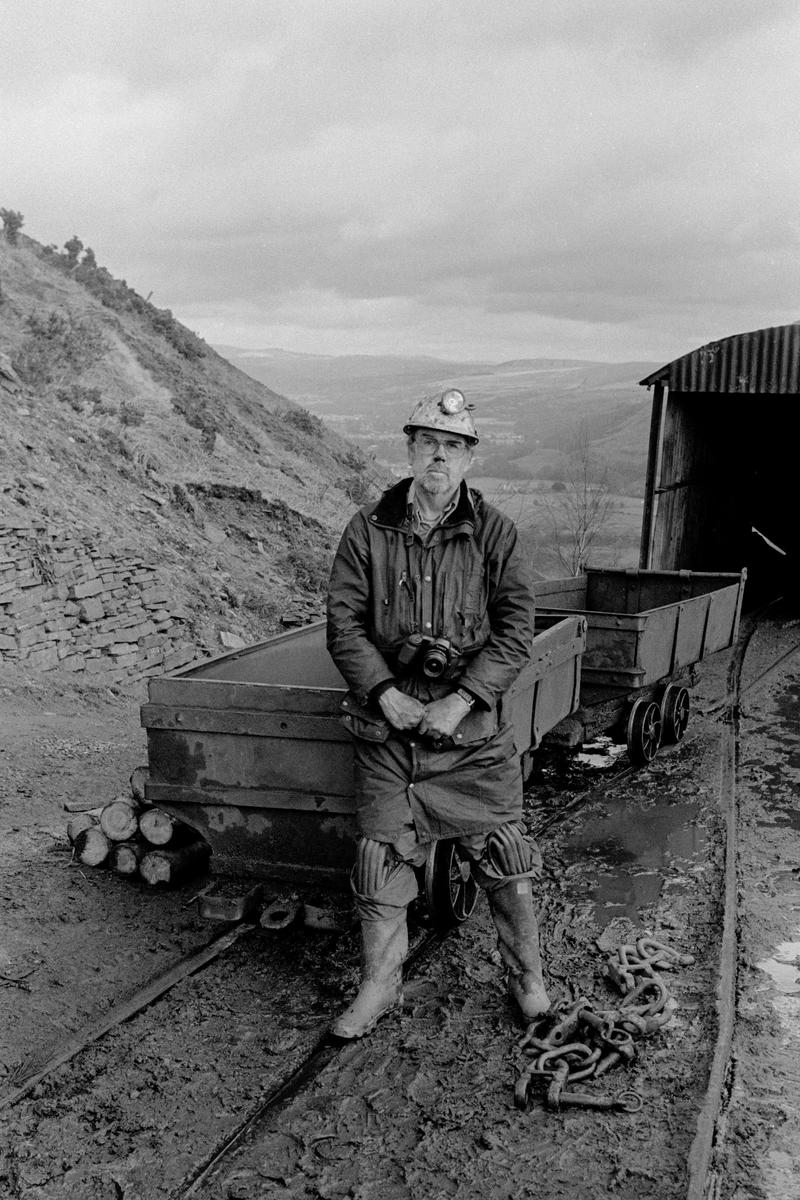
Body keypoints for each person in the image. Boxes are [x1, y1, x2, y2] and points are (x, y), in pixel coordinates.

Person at [326, 388, 549, 1040]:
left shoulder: (496, 534)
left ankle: (529, 980)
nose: (439, 457)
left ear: (469, 458)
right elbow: (343, 624)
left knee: (504, 852)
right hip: (388, 728)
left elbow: (515, 633)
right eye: (429, 443)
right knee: (378, 855)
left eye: (453, 447)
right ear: (410, 449)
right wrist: (383, 692)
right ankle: (378, 987)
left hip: (470, 729)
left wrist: (462, 698)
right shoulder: (368, 529)